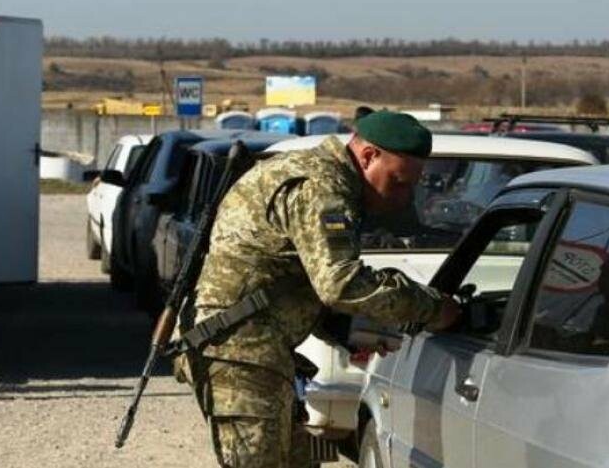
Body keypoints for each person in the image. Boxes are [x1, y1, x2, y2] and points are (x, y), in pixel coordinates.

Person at [179, 110, 460, 468]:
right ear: (369, 155)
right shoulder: (321, 186)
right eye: (399, 181)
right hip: (239, 354)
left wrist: (344, 329)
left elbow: (289, 276)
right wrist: (433, 308)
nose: (404, 195)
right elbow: (340, 283)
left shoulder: (318, 174)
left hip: (254, 350)